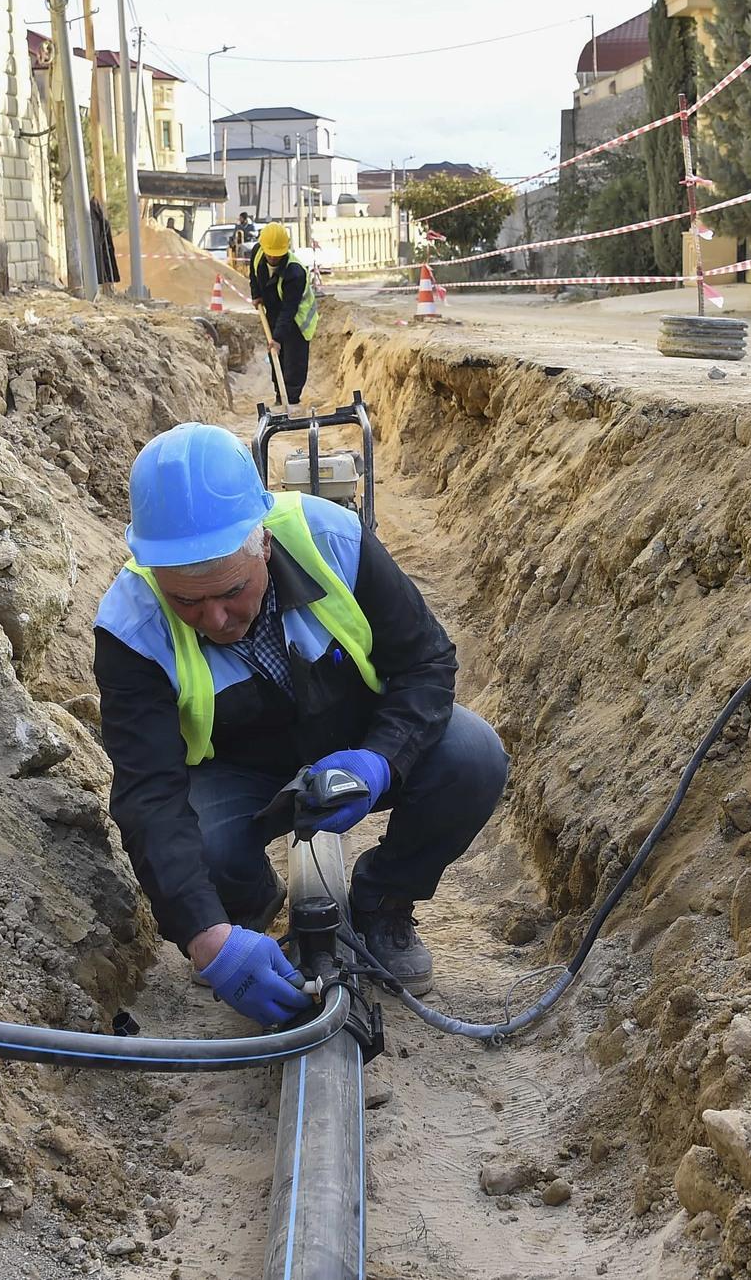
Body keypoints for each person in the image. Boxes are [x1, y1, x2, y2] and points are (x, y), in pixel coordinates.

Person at [93, 423, 507, 1024]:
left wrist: (381, 759)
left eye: (231, 592)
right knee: (201, 849)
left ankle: (384, 902)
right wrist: (206, 936)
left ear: (262, 543)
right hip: (236, 768)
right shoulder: (130, 627)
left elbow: (426, 661)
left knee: (472, 756)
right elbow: (148, 793)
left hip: (353, 737)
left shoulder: (333, 540)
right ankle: (249, 908)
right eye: (187, 601)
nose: (214, 617)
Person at [249, 222, 316, 406]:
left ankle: (292, 400)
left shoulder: (295, 272)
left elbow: (289, 310)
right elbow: (253, 275)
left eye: (276, 254)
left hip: (297, 317)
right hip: (273, 308)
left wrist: (277, 338)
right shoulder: (257, 252)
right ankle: (280, 397)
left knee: (293, 359)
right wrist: (256, 294)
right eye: (269, 252)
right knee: (275, 355)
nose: (272, 257)